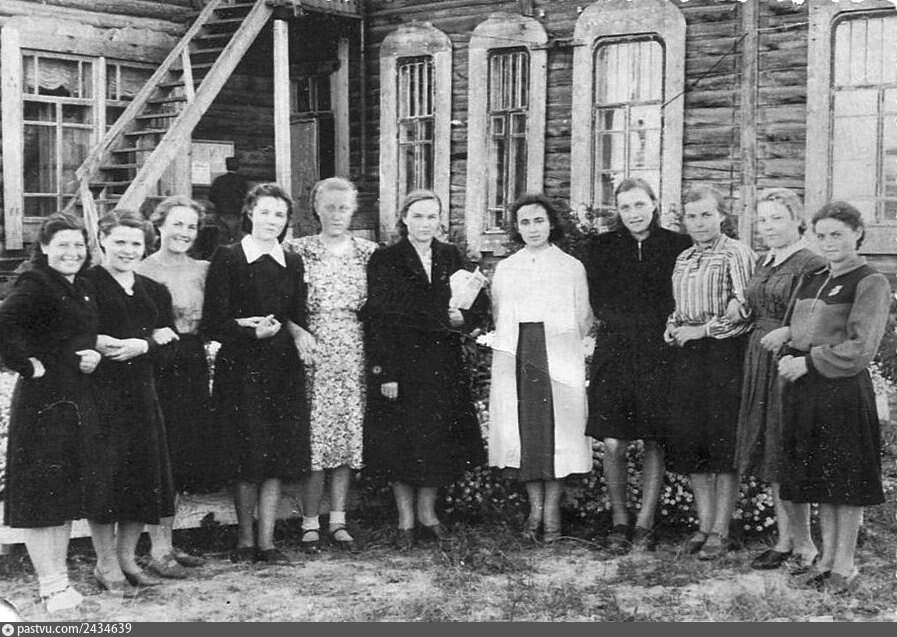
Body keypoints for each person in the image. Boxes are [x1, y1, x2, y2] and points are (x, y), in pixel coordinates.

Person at [770, 201, 889, 594]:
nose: (828, 242)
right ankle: (825, 561)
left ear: (858, 233)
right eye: (821, 235)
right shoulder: (814, 277)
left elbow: (861, 347)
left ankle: (845, 566)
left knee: (845, 481)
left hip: (842, 390)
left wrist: (809, 361)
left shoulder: (869, 281)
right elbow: (803, 326)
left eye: (837, 234)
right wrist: (788, 338)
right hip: (806, 392)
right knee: (821, 479)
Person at [364, 189, 487, 550]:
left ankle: (428, 515)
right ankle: (405, 519)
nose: (425, 223)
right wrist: (386, 372)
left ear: (439, 220)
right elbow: (378, 318)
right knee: (401, 440)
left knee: (435, 439)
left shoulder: (450, 255)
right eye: (417, 216)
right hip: (402, 362)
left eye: (432, 216)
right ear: (404, 219)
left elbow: (475, 305)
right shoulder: (386, 259)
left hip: (441, 362)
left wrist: (462, 317)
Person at [201, 182, 310, 565]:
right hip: (241, 368)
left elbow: (296, 315)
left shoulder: (292, 261)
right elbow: (213, 323)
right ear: (250, 213)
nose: (271, 220)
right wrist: (249, 331)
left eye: (279, 214)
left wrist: (300, 332)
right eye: (264, 212)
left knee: (275, 455)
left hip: (282, 369)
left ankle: (268, 542)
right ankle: (245, 540)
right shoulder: (228, 256)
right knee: (245, 455)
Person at [0, 213, 103, 615]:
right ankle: (50, 587)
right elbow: (4, 322)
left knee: (61, 494)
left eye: (78, 245)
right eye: (62, 245)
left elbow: (74, 336)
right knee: (43, 496)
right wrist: (26, 365)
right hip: (43, 404)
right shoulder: (36, 283)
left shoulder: (80, 286)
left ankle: (59, 583)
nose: (72, 252)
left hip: (72, 399)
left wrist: (91, 354)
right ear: (43, 247)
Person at [584, 179, 691, 553]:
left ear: (654, 204)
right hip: (615, 350)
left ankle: (645, 521)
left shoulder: (677, 245)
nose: (633, 213)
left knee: (654, 437)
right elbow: (599, 300)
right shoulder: (601, 247)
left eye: (640, 205)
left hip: (660, 351)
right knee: (613, 440)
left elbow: (680, 298)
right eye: (626, 207)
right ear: (618, 211)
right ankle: (619, 519)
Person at [488, 194, 594, 543]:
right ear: (516, 228)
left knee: (558, 432)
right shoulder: (507, 268)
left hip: (558, 356)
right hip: (519, 356)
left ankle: (552, 512)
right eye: (525, 222)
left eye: (539, 220)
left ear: (551, 224)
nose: (532, 228)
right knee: (527, 432)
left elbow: (583, 317)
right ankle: (535, 509)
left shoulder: (571, 267)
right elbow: (498, 313)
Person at [731, 189, 826, 572]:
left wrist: (788, 333)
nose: (768, 226)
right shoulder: (764, 260)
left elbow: (821, 316)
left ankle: (805, 544)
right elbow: (755, 305)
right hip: (759, 357)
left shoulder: (812, 263)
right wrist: (739, 306)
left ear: (797, 221)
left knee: (788, 448)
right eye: (763, 219)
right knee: (770, 448)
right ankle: (785, 539)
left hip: (791, 361)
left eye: (777, 218)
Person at [85, 209, 179, 593]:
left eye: (136, 243)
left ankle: (127, 558)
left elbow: (171, 345)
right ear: (102, 240)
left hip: (142, 394)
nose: (128, 250)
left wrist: (145, 345)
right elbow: (72, 332)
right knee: (106, 480)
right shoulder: (86, 284)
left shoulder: (153, 290)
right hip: (100, 395)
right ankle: (105, 564)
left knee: (142, 479)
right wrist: (95, 342)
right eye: (120, 241)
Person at [283, 177, 377, 553]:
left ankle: (338, 520)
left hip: (353, 349)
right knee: (314, 438)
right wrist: (296, 332)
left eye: (344, 207)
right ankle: (309, 521)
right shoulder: (296, 250)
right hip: (311, 349)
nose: (337, 214)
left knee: (346, 436)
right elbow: (281, 303)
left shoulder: (368, 252)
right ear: (316, 210)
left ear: (353, 211)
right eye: (329, 207)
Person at [664, 185, 756, 560]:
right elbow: (680, 306)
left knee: (722, 442)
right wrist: (672, 325)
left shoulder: (736, 252)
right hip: (688, 356)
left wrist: (703, 330)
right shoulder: (684, 257)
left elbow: (746, 310)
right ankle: (704, 525)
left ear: (721, 216)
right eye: (692, 216)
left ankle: (721, 529)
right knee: (693, 440)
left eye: (706, 214)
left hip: (724, 356)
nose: (699, 222)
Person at [136, 196, 214, 578]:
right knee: (158, 454)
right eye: (177, 224)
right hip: (155, 363)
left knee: (181, 454)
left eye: (191, 226)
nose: (184, 232)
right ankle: (157, 548)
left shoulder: (205, 270)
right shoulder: (141, 268)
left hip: (192, 362)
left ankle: (167, 542)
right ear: (159, 225)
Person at [194, 156, 249, 260]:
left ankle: (221, 259)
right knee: (236, 239)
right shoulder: (242, 181)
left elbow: (211, 196)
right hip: (236, 214)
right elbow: (246, 198)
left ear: (226, 166)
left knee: (222, 239)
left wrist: (219, 205)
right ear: (238, 166)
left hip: (221, 213)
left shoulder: (219, 180)